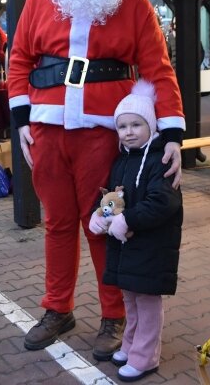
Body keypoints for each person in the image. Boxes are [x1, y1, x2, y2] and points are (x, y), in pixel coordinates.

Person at [6, 0, 185, 360]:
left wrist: (171, 135)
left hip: (104, 133)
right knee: (57, 223)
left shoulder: (135, 3)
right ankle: (57, 307)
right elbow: (20, 58)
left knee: (104, 223)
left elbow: (158, 71)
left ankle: (114, 315)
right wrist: (23, 120)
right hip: (47, 129)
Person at [88, 80, 181, 382]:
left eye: (136, 125)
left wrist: (128, 220)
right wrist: (100, 215)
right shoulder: (123, 160)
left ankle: (146, 357)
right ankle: (130, 345)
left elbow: (163, 202)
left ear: (150, 125)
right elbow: (113, 198)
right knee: (130, 300)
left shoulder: (159, 160)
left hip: (151, 247)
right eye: (122, 126)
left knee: (147, 303)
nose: (128, 131)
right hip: (128, 249)